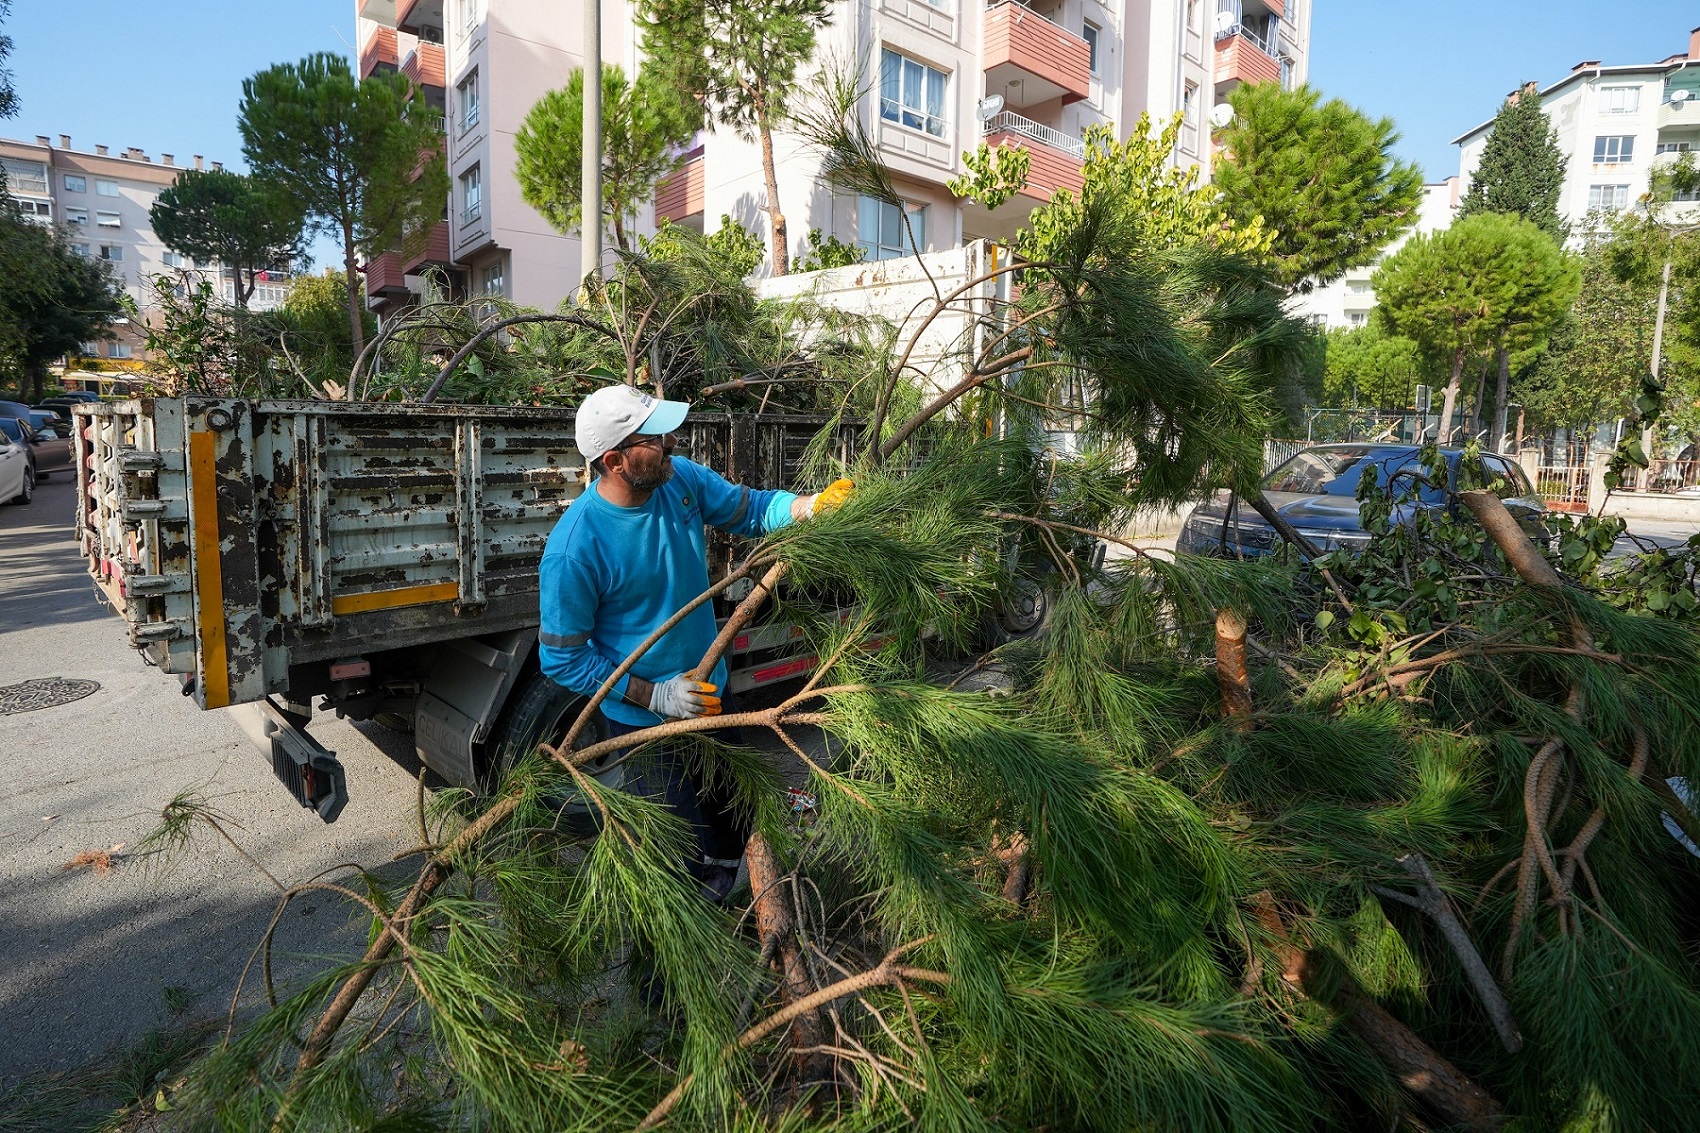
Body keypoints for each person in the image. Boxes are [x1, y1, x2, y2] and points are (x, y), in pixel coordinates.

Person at [538, 384, 852, 898]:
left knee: (733, 814)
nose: (670, 443)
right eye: (654, 438)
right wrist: (655, 694)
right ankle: (686, 938)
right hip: (646, 729)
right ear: (616, 461)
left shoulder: (679, 482)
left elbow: (748, 509)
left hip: (711, 698)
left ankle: (731, 896)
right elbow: (563, 658)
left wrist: (808, 507)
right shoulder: (575, 548)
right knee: (677, 844)